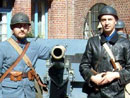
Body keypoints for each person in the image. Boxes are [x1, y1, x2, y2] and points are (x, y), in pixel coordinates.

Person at [79, 6, 130, 98]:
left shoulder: (125, 43)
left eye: (110, 19)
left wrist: (115, 75)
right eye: (103, 20)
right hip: (95, 92)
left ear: (115, 21)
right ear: (100, 22)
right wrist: (92, 77)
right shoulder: (92, 42)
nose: (106, 23)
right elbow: (84, 66)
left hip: (117, 93)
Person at [0, 12, 51, 98]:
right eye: (19, 26)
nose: (22, 29)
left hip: (29, 92)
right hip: (9, 93)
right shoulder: (3, 47)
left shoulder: (34, 46)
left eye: (25, 26)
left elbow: (51, 53)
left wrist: (60, 48)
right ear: (12, 28)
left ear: (28, 28)